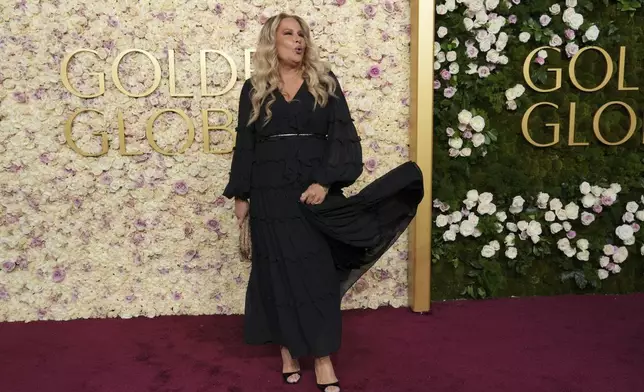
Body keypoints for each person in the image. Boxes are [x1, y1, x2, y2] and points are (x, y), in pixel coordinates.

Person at [223, 13, 424, 392]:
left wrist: (324, 181)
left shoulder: (324, 84)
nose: (297, 40)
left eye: (302, 34)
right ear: (272, 40)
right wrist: (241, 194)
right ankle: (287, 352)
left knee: (315, 276)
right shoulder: (253, 88)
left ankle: (323, 358)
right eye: (289, 34)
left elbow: (344, 137)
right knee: (276, 273)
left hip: (310, 191)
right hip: (268, 195)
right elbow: (245, 143)